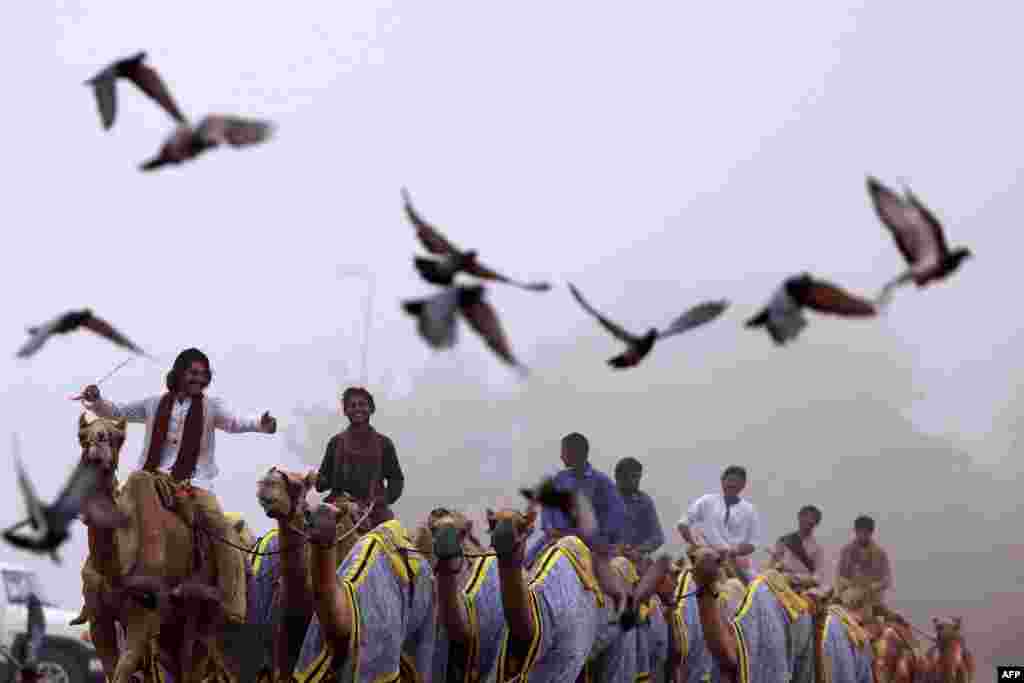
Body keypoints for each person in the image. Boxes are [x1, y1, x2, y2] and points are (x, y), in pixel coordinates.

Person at [80, 347, 277, 624]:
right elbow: (118, 411)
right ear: (179, 373)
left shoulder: (212, 407)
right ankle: (94, 585)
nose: (198, 378)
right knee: (106, 516)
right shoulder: (153, 404)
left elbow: (235, 422)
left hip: (193, 483)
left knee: (221, 528)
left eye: (202, 374)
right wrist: (96, 400)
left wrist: (261, 424)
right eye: (192, 372)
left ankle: (233, 602)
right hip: (149, 479)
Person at [315, 386, 404, 528]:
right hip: (338, 508)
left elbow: (396, 479)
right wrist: (317, 479)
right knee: (314, 536)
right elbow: (322, 482)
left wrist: (383, 499)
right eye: (352, 405)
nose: (357, 409)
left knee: (395, 544)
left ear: (371, 409)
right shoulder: (335, 443)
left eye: (362, 404)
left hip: (375, 512)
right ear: (345, 411)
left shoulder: (384, 443)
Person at [676, 465, 762, 583]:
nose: (732, 485)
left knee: (757, 587)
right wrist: (694, 545)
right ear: (722, 481)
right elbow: (683, 524)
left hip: (733, 560)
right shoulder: (707, 501)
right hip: (705, 555)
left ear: (743, 485)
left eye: (737, 482)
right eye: (730, 480)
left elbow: (753, 543)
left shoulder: (749, 509)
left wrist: (734, 551)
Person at [835, 515, 893, 620]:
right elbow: (840, 576)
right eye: (859, 531)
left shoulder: (880, 553)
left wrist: (873, 587)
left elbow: (887, 580)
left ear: (871, 533)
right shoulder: (847, 551)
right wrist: (841, 593)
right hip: (850, 597)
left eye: (865, 532)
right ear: (855, 531)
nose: (862, 535)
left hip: (872, 598)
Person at [613, 457, 665, 561]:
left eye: (638, 477)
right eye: (632, 477)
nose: (636, 481)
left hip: (635, 558)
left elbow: (658, 537)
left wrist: (639, 550)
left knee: (665, 560)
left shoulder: (644, 501)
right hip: (610, 557)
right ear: (618, 477)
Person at [771, 504, 826, 586]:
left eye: (813, 519)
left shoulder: (817, 548)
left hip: (803, 589)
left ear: (816, 523)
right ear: (799, 517)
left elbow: (818, 576)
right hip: (782, 585)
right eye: (806, 517)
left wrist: (800, 579)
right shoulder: (784, 541)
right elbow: (771, 566)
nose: (809, 521)